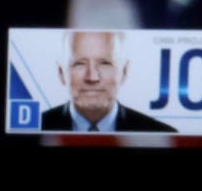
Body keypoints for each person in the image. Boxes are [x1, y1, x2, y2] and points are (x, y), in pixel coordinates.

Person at [39, 30, 176, 133]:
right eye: (79, 63)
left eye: (105, 63)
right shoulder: (37, 127)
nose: (92, 77)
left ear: (124, 72)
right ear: (61, 73)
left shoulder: (161, 134)